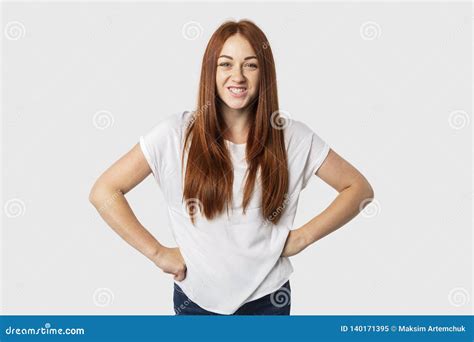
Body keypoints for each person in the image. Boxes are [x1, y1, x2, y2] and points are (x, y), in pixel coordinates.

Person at [89, 19, 374, 316]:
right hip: (195, 302)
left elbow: (358, 188)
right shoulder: (174, 134)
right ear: (210, 72)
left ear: (264, 73)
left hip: (268, 301)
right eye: (225, 64)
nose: (237, 76)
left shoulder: (292, 137)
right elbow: (105, 191)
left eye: (250, 65)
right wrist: (157, 253)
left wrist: (303, 237)